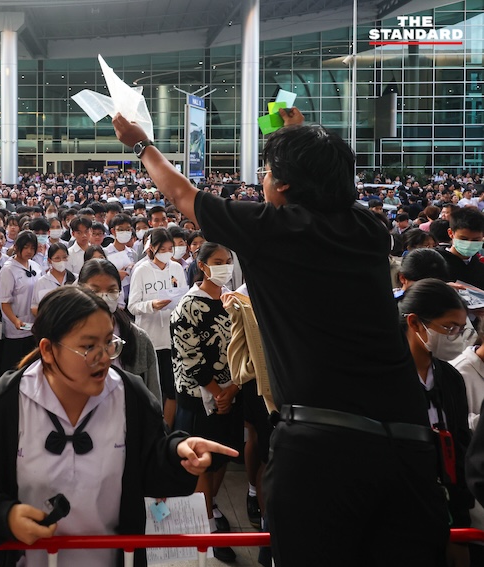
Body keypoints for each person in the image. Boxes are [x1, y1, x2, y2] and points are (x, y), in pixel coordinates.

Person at [112, 108, 447, 565]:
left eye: (268, 172)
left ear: (284, 185)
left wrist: (140, 144)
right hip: (408, 443)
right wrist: (299, 135)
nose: (264, 180)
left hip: (321, 448)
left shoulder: (270, 229)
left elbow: (181, 193)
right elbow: (323, 181)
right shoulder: (369, 229)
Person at [0, 286, 238, 567]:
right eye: (88, 347)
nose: (104, 358)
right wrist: (4, 515)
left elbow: (150, 464)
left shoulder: (130, 396)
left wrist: (178, 452)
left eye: (108, 342)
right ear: (48, 350)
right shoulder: (2, 403)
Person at [170, 241, 239, 563]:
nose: (224, 267)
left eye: (228, 261)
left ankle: (210, 505)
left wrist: (232, 390)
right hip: (199, 395)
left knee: (221, 458)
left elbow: (244, 348)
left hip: (230, 392)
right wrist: (218, 392)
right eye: (217, 261)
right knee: (203, 462)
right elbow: (190, 357)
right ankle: (207, 529)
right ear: (202, 265)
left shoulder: (233, 301)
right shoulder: (187, 306)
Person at [399, 279, 474, 565]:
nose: (457, 337)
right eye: (449, 328)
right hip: (398, 518)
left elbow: (460, 448)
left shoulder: (450, 379)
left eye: (461, 329)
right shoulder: (387, 380)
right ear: (415, 323)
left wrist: (459, 530)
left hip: (443, 511)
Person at [77, 258, 160, 405]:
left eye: (111, 291)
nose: (104, 297)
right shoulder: (69, 338)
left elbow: (153, 396)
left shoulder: (138, 338)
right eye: (95, 291)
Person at [128, 227, 185, 429]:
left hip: (173, 337)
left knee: (172, 389)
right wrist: (152, 305)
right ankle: (151, 428)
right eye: (163, 249)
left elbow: (183, 296)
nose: (168, 253)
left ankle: (166, 430)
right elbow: (132, 305)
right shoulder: (141, 270)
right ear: (152, 248)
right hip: (151, 338)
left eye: (170, 248)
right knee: (152, 388)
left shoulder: (176, 268)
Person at [0, 230, 41, 372]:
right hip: (16, 328)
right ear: (16, 247)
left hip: (33, 325)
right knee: (15, 368)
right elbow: (5, 302)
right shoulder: (8, 270)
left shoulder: (35, 266)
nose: (29, 251)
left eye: (32, 248)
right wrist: (15, 320)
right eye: (26, 247)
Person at [31, 242, 74, 316]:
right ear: (49, 260)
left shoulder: (75, 278)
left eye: (64, 257)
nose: (61, 261)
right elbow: (34, 307)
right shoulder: (41, 282)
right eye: (57, 258)